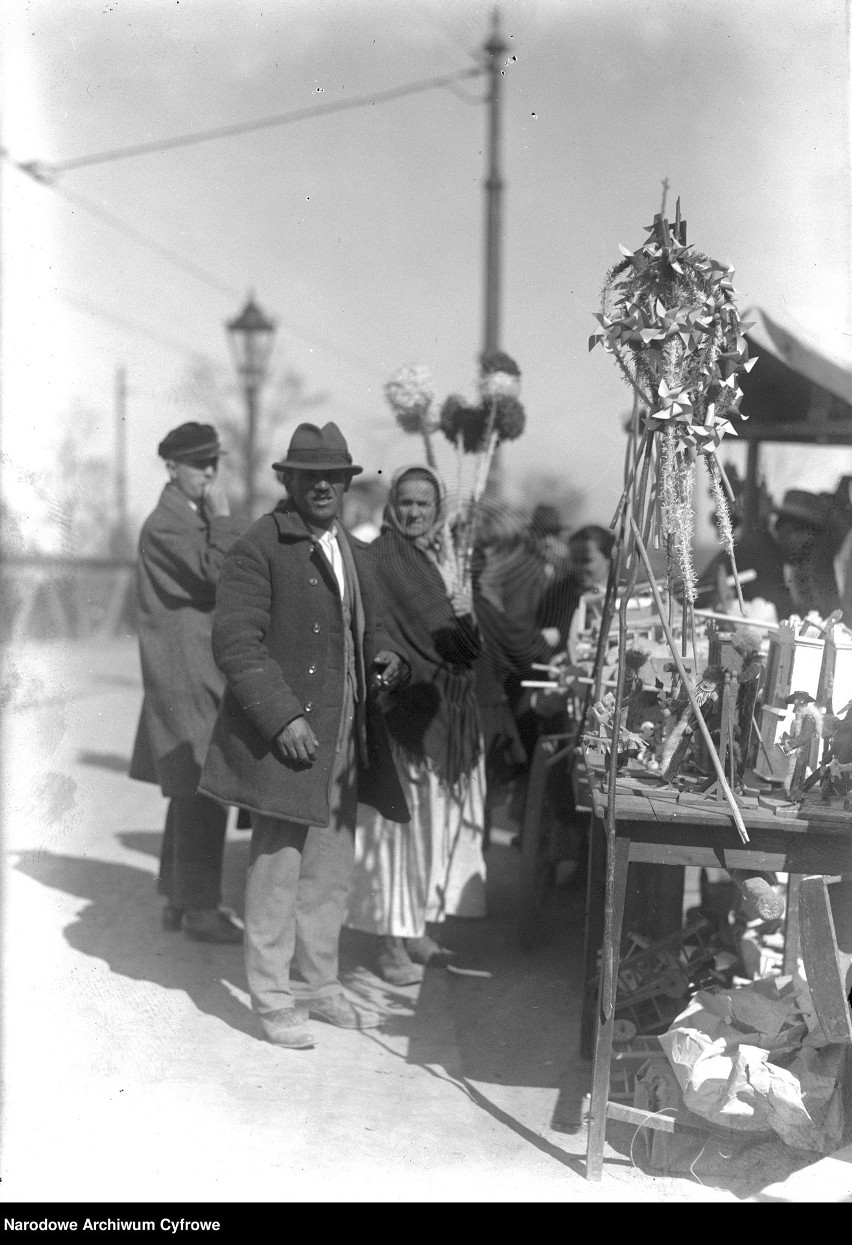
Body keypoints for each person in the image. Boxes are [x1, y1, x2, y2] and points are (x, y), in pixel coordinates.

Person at [199, 422, 410, 1049]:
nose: (322, 487)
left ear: (345, 485)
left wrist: (387, 654)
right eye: (309, 477)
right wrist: (282, 716)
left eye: (333, 478)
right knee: (277, 865)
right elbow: (237, 642)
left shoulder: (350, 547)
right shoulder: (261, 546)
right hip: (292, 734)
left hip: (345, 731)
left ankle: (319, 985)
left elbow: (368, 625)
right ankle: (270, 997)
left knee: (329, 870)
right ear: (289, 481)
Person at [346, 465, 487, 987]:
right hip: (398, 710)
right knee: (391, 833)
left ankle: (417, 930)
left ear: (437, 512)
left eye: (423, 505)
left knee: (430, 827)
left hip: (438, 710)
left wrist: (469, 615)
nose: (412, 513)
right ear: (391, 507)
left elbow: (461, 651)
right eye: (404, 503)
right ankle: (386, 942)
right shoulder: (378, 557)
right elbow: (377, 628)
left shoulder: (436, 562)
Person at [129, 421, 245, 942]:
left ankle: (178, 899)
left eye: (214, 462)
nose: (210, 473)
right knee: (205, 783)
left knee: (188, 786)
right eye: (201, 464)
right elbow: (218, 575)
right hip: (186, 671)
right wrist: (224, 519)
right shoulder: (168, 523)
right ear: (173, 467)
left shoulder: (179, 515)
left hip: (188, 668)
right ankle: (199, 909)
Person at [771, 489, 842, 619]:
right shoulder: (793, 567)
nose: (780, 540)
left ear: (807, 534)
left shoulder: (816, 572)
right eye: (780, 533)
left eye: (786, 533)